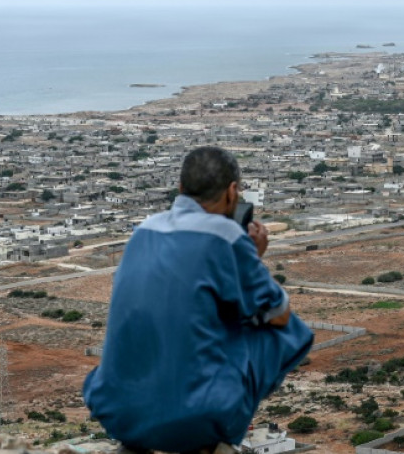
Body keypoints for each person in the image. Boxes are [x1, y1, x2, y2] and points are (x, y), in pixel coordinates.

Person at [83, 146, 313, 454]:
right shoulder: (227, 236)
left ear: (181, 188)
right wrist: (254, 259)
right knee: (292, 333)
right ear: (232, 192)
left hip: (117, 412)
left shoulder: (143, 232)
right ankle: (216, 430)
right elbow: (278, 313)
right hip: (195, 419)